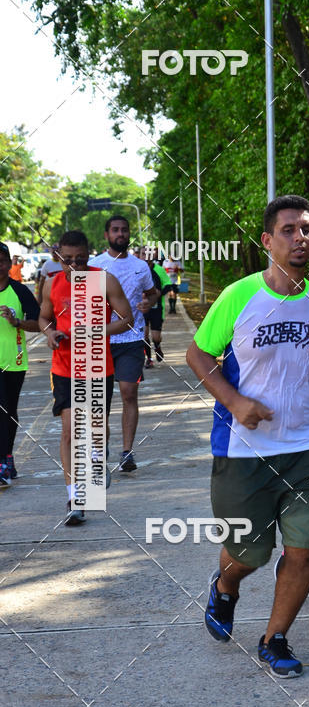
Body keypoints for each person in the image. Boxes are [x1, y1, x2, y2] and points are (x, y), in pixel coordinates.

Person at [186, 194, 309, 678]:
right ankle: (225, 588)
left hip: (306, 447)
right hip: (244, 450)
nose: (300, 238)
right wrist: (235, 402)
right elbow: (198, 355)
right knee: (249, 552)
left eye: (307, 230)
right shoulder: (239, 296)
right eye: (289, 230)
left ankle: (274, 639)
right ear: (268, 240)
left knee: (305, 547)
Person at [39, 231, 133, 524]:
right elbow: (44, 317)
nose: (76, 266)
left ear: (88, 255)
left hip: (97, 365)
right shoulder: (52, 284)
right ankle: (74, 498)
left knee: (95, 427)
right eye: (68, 261)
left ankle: (97, 458)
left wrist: (97, 332)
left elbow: (126, 318)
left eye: (81, 260)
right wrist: (50, 333)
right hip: (64, 366)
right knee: (70, 430)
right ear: (59, 257)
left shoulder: (104, 280)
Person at [89, 216, 158, 472]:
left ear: (129, 234)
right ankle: (100, 446)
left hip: (131, 338)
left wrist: (149, 303)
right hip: (101, 341)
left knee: (129, 392)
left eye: (124, 230)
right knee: (100, 400)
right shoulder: (94, 265)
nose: (121, 234)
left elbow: (153, 293)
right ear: (107, 235)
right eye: (115, 230)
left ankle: (127, 452)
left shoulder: (141, 266)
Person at [0, 242, 41, 487]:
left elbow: (39, 323)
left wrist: (17, 322)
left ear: (9, 263)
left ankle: (7, 457)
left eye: (2, 261)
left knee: (10, 411)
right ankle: (3, 461)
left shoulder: (19, 291)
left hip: (14, 361)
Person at [140, 248, 170, 367]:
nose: (146, 256)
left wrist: (158, 294)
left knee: (155, 336)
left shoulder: (159, 270)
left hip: (157, 308)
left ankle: (157, 347)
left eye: (148, 254)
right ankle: (149, 359)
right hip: (142, 309)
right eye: (143, 254)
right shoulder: (137, 270)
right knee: (144, 335)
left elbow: (168, 285)